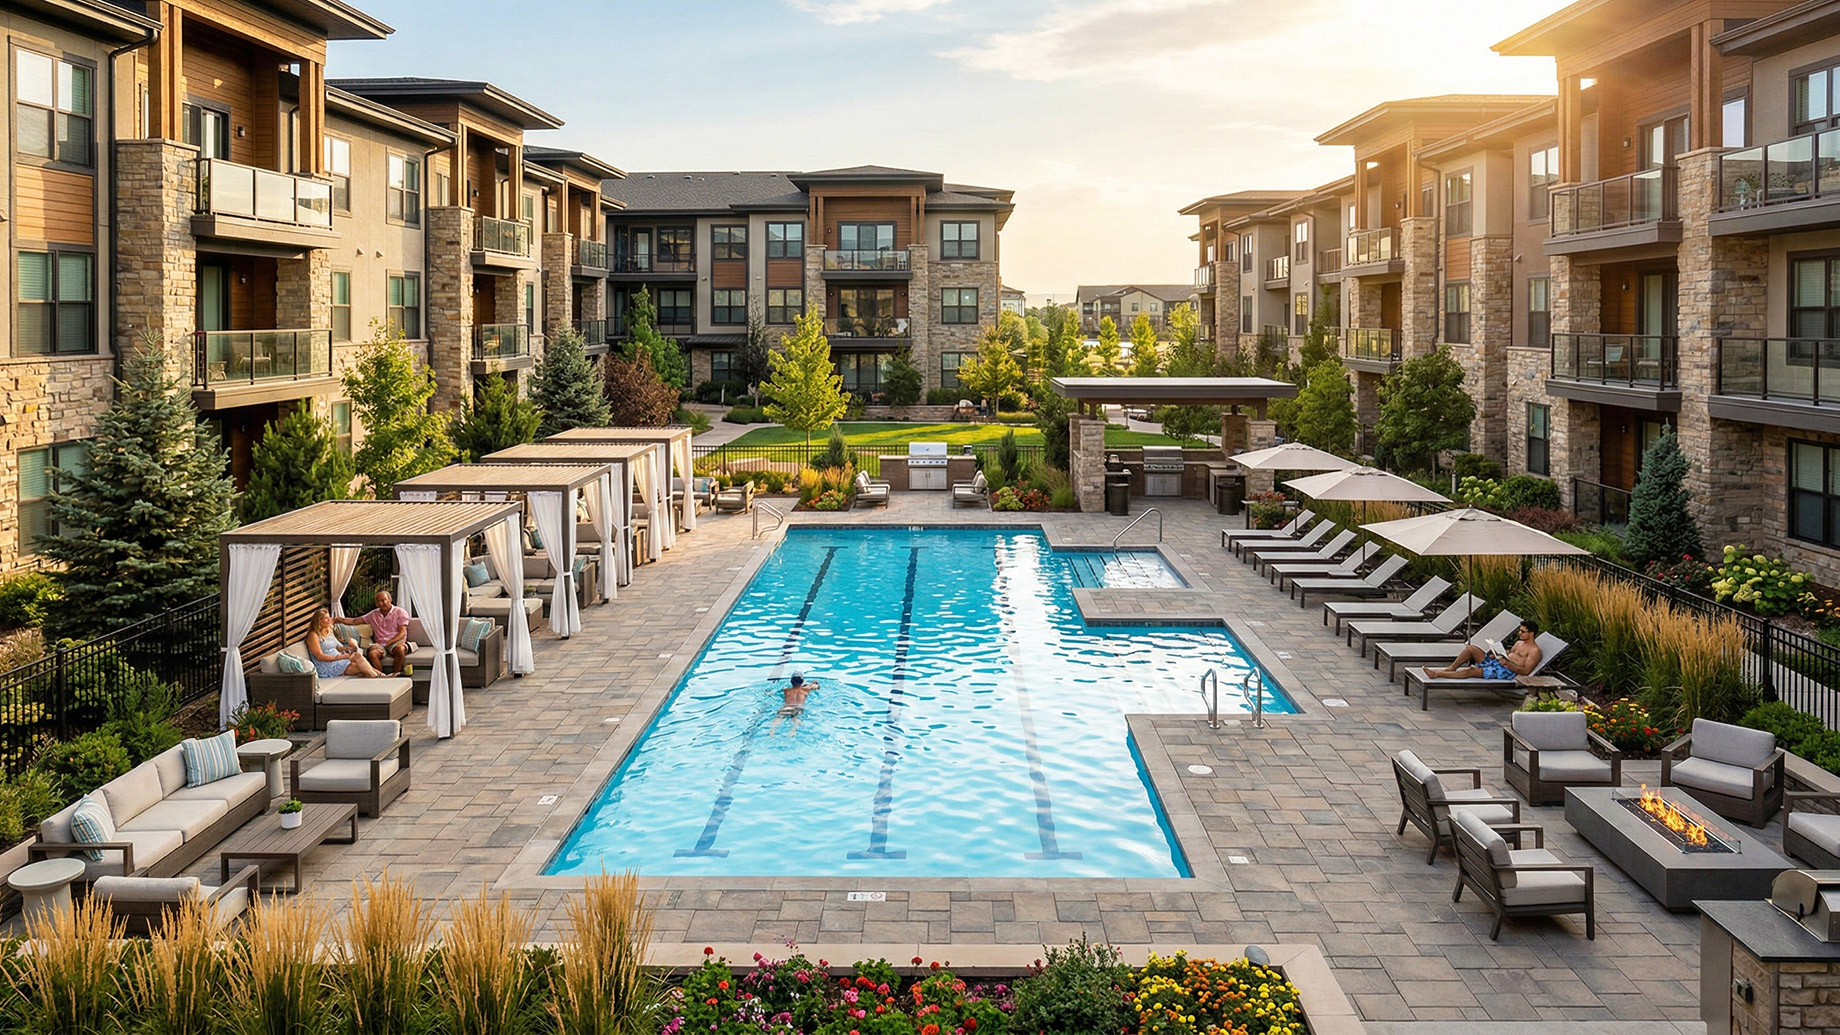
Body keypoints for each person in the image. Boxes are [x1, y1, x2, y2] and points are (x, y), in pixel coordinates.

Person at [1426, 619, 1543, 680]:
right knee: (1471, 648)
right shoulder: (1518, 643)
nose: (1519, 633)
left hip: (1505, 672)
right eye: (1520, 630)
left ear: (1531, 634)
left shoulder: (1534, 651)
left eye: (1523, 631)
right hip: (1498, 663)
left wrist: (1509, 665)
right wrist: (1497, 653)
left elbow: (1526, 671)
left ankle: (1437, 674)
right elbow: (1510, 653)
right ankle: (1451, 668)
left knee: (1470, 671)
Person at [304, 609, 382, 679]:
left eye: (329, 617)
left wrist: (347, 649)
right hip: (326, 665)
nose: (330, 620)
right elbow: (319, 656)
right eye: (326, 618)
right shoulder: (313, 635)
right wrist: (339, 657)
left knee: (358, 657)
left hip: (337, 659)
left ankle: (381, 676)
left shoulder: (329, 630)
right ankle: (378, 678)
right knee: (360, 666)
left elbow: (336, 647)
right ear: (319, 621)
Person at [361, 589, 413, 676]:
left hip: (396, 643)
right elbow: (355, 621)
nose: (381, 603)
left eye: (383, 600)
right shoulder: (373, 614)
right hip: (380, 645)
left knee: (400, 649)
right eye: (378, 601)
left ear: (390, 600)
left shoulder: (400, 612)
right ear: (376, 604)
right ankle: (381, 676)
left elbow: (402, 634)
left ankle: (396, 674)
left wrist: (389, 643)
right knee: (372, 654)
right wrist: (338, 619)